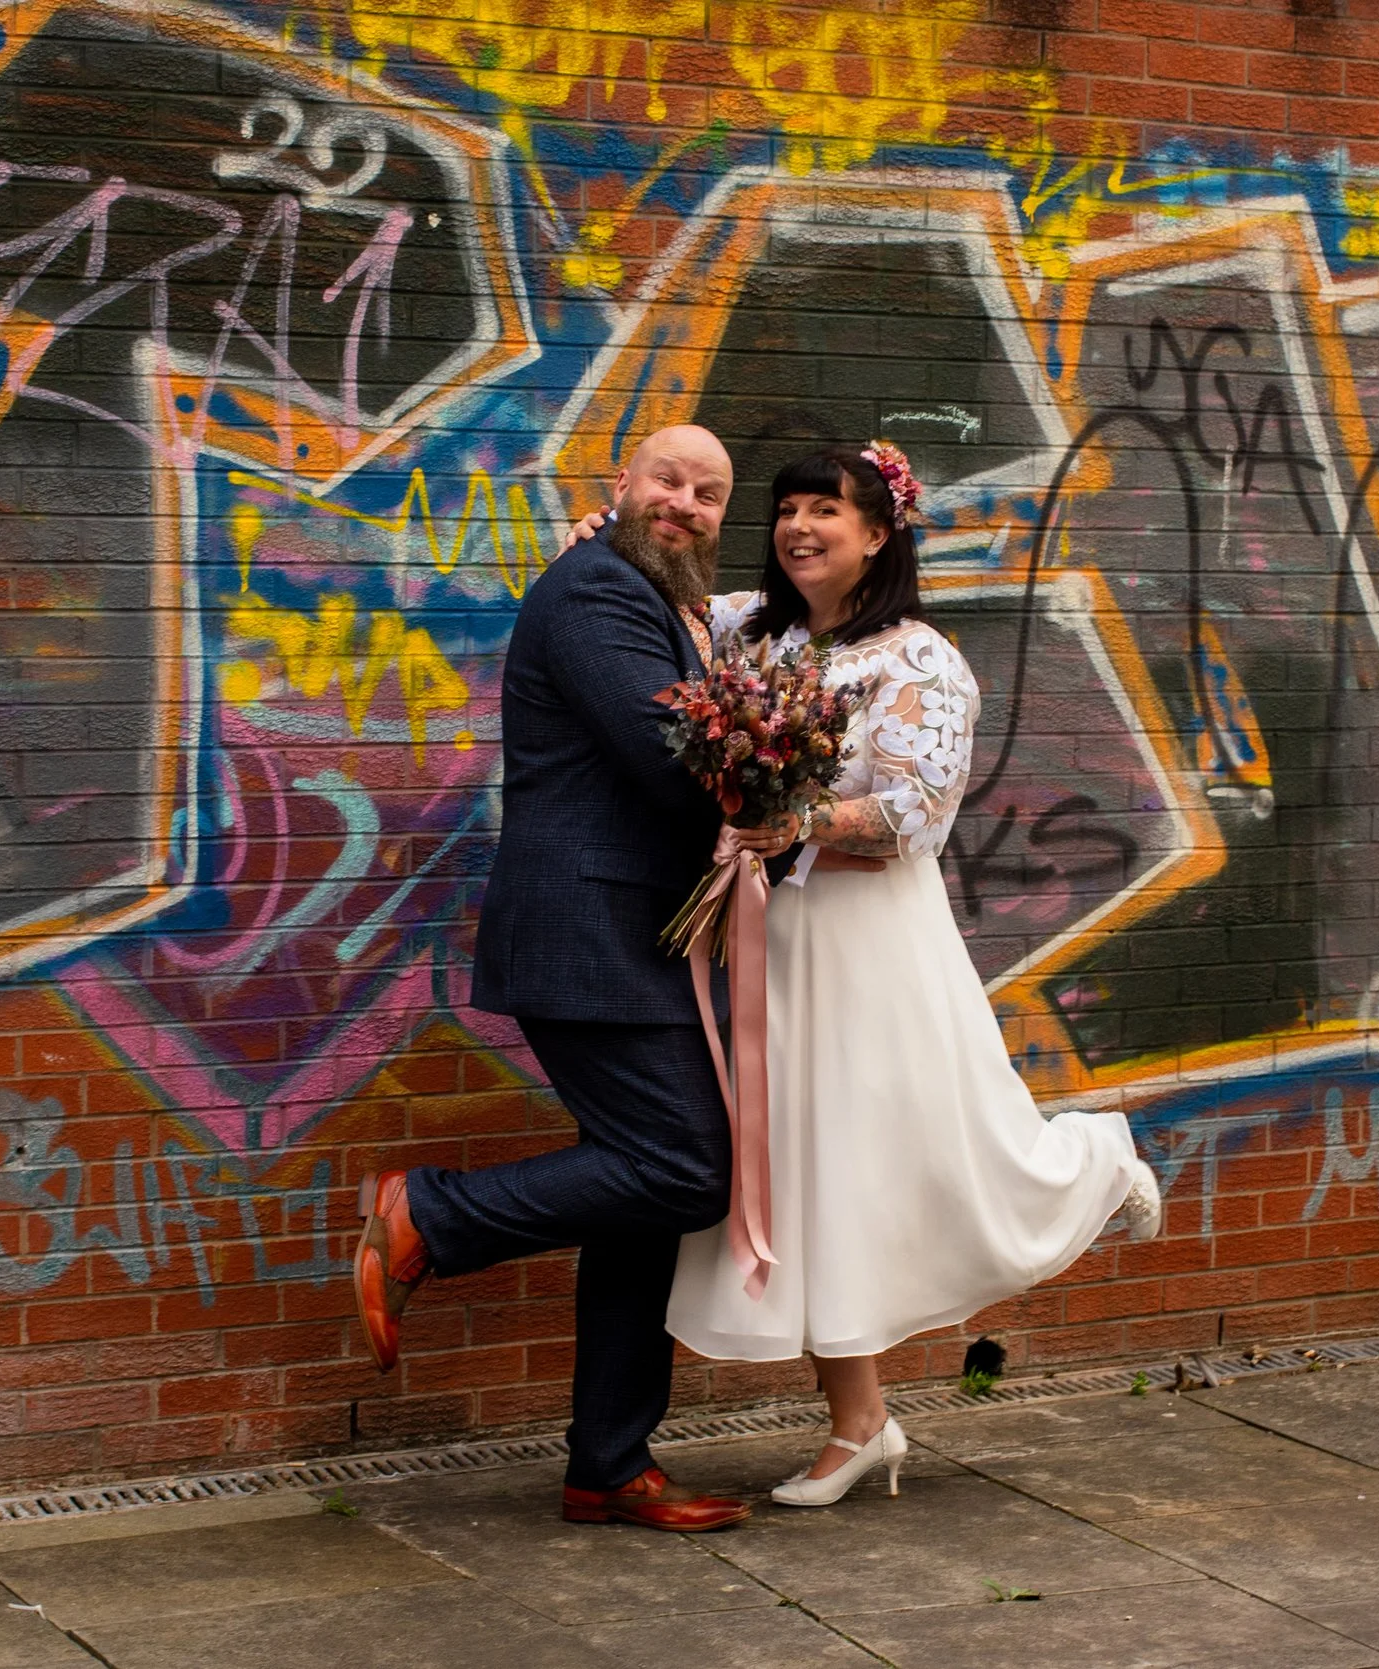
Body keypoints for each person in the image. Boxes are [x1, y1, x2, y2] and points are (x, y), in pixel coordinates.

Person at [654, 443, 1163, 1506]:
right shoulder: (756, 629)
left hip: (867, 937)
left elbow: (913, 814)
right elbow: (675, 591)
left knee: (926, 1153)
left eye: (825, 511)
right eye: (787, 508)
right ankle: (861, 1424)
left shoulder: (920, 661)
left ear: (878, 534)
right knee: (804, 1179)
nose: (799, 526)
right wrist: (599, 540)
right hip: (775, 938)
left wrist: (788, 817)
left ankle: (1094, 1159)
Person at [351, 423, 755, 1532]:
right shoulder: (595, 590)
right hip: (592, 930)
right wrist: (779, 794)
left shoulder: (663, 602)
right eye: (667, 479)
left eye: (708, 492)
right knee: (687, 1168)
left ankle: (608, 1465)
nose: (684, 502)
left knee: (645, 1190)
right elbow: (673, 760)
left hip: (638, 938)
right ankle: (431, 1210)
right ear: (618, 484)